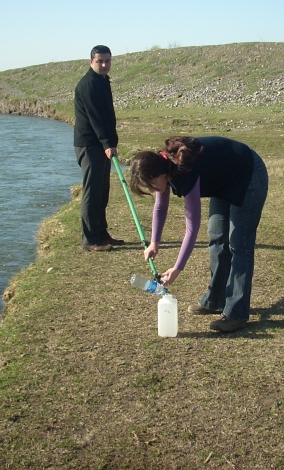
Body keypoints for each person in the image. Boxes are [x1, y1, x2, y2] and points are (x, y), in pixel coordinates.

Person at [128, 136, 268, 333]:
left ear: (158, 171)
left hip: (248, 174)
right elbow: (160, 207)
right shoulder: (163, 168)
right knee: (217, 238)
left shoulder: (185, 171)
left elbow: (192, 228)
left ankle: (236, 313)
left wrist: (177, 268)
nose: (152, 190)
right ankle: (215, 300)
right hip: (224, 180)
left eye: (151, 185)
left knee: (239, 245)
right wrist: (154, 242)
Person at [74, 45, 124, 252]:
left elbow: (107, 116)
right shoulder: (88, 85)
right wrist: (107, 143)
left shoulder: (103, 81)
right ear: (91, 62)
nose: (104, 65)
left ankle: (101, 233)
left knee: (103, 191)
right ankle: (90, 239)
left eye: (107, 61)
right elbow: (95, 119)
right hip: (89, 144)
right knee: (92, 192)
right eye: (99, 61)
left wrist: (112, 141)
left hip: (101, 145)